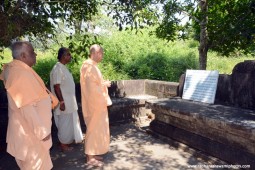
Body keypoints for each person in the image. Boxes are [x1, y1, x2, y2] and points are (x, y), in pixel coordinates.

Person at [0, 41, 53, 169]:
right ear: (23, 56)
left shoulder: (14, 69)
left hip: (28, 134)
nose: (35, 54)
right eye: (32, 52)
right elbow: (26, 107)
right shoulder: (19, 74)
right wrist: (43, 132)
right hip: (32, 138)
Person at [80, 44, 112, 167]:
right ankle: (89, 157)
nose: (102, 56)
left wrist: (103, 84)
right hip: (95, 104)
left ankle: (93, 153)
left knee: (96, 129)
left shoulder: (90, 66)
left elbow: (94, 84)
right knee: (93, 130)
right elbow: (92, 89)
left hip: (95, 104)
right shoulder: (89, 67)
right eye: (101, 54)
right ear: (96, 53)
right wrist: (103, 99)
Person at [50, 47, 83, 151]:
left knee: (69, 123)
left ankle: (67, 142)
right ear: (63, 56)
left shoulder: (63, 67)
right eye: (68, 54)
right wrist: (61, 102)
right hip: (63, 103)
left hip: (69, 102)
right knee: (64, 124)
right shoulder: (57, 68)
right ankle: (63, 145)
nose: (70, 56)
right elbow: (56, 86)